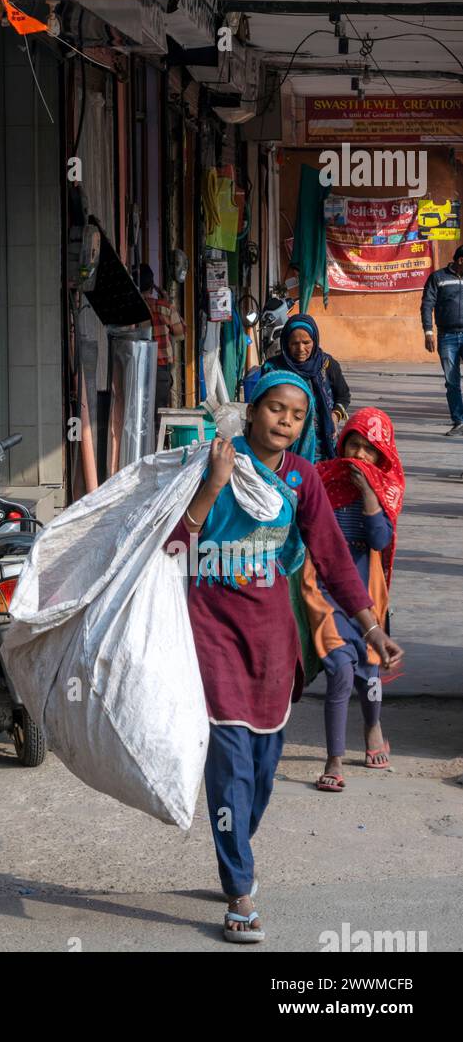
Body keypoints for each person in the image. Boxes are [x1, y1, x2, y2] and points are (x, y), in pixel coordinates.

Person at [166, 372, 402, 944]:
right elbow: (173, 543)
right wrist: (214, 485)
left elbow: (333, 557)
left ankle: (235, 849)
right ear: (252, 413)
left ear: (305, 425)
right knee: (229, 755)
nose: (285, 421)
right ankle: (239, 890)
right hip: (212, 625)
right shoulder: (213, 461)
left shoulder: (300, 478)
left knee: (265, 762)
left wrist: (371, 628)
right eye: (275, 409)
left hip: (274, 634)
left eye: (296, 415)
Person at [301, 407, 404, 792]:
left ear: (382, 455)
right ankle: (334, 757)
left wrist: (367, 494)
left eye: (368, 449)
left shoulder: (386, 489)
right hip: (327, 589)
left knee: (370, 675)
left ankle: (373, 725)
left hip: (366, 593)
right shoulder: (324, 479)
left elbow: (379, 540)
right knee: (341, 672)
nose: (359, 455)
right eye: (353, 444)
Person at [265, 314, 350, 460]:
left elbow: (343, 396)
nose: (301, 348)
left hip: (323, 445)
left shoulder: (327, 364)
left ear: (314, 341)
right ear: (285, 343)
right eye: (294, 343)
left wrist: (334, 416)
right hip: (285, 442)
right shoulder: (273, 368)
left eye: (306, 342)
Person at [421, 245, 463, 434]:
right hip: (447, 336)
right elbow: (426, 304)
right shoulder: (438, 278)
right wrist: (428, 332)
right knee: (452, 381)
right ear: (460, 261)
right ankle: (459, 420)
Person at [139, 264, 185, 416]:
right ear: (153, 287)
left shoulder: (133, 306)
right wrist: (167, 301)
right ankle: (158, 440)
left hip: (136, 367)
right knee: (158, 414)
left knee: (139, 412)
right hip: (159, 369)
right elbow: (180, 332)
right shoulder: (163, 307)